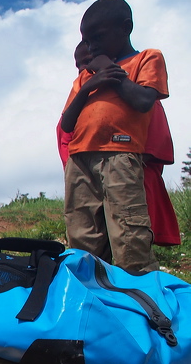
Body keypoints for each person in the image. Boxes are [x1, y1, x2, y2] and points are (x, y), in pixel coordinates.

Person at [60, 0, 169, 272]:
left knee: (128, 230)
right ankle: (90, 285)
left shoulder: (147, 58)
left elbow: (143, 101)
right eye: (86, 41)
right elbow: (68, 123)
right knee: (82, 230)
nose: (91, 47)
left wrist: (110, 71)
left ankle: (137, 287)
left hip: (120, 155)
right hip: (79, 159)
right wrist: (89, 85)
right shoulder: (86, 76)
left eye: (97, 38)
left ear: (125, 28)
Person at [58, 41, 179, 247]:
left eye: (89, 61)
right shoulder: (83, 90)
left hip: (129, 170)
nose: (84, 69)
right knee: (88, 235)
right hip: (85, 172)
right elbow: (65, 132)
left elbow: (155, 144)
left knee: (128, 235)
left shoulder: (135, 90)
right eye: (79, 65)